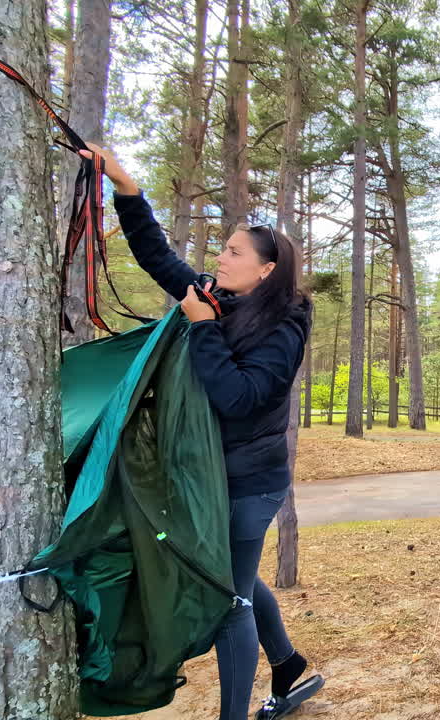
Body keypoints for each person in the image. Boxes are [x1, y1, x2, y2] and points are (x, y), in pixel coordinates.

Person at [80, 143, 322, 720]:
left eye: (234, 252)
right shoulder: (220, 298)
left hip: (247, 482)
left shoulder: (283, 326)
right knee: (235, 572)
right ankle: (287, 666)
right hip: (207, 475)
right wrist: (127, 187)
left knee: (228, 597)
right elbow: (158, 259)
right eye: (223, 248)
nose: (222, 256)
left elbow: (240, 399)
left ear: (266, 270)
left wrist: (205, 330)